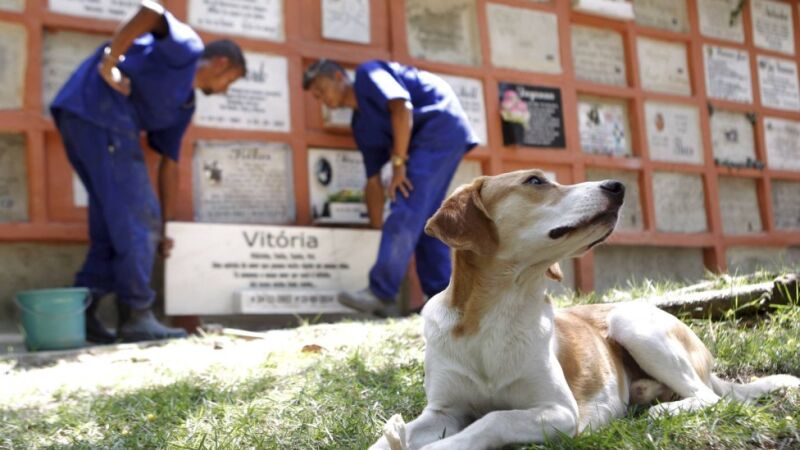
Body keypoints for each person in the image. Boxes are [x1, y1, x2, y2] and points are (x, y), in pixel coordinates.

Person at [51, 0, 246, 342]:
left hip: (87, 121)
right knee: (138, 218)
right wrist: (111, 61)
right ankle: (137, 314)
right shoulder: (187, 48)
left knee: (113, 223)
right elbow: (151, 10)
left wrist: (166, 226)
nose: (227, 89)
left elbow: (169, 164)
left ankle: (84, 311)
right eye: (231, 79)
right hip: (97, 113)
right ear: (222, 63)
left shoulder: (184, 105)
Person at [303, 59, 478, 316]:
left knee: (405, 203)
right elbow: (372, 181)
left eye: (320, 89)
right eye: (315, 96)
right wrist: (376, 229)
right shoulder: (360, 126)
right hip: (428, 139)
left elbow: (401, 107)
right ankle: (446, 299)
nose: (320, 98)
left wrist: (399, 164)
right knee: (425, 219)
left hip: (440, 123)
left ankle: (381, 292)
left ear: (339, 76)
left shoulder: (367, 73)